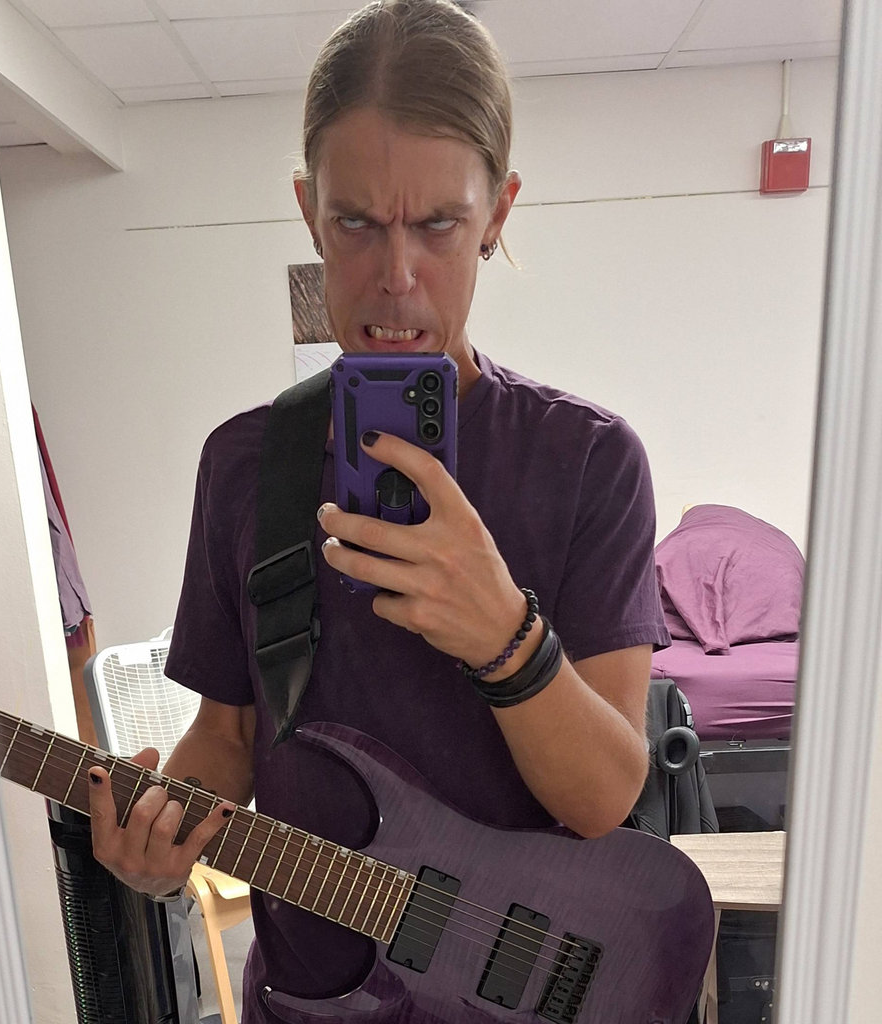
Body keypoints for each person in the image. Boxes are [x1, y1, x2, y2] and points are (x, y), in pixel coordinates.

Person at [87, 0, 671, 1018]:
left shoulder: (589, 461)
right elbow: (229, 735)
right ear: (309, 210)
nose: (395, 277)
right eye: (355, 222)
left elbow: (605, 798)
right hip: (307, 999)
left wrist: (505, 636)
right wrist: (157, 844)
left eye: (439, 223)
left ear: (498, 212)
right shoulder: (246, 464)